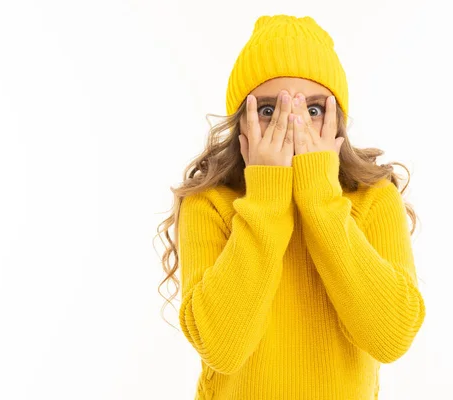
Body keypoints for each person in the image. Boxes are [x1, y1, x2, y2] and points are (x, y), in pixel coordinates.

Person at [156, 14, 426, 399]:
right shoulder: (209, 204)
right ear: (242, 125)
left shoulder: (373, 198)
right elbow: (222, 349)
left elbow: (391, 338)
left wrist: (320, 196)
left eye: (313, 110)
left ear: (337, 122)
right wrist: (267, 195)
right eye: (269, 111)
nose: (292, 124)